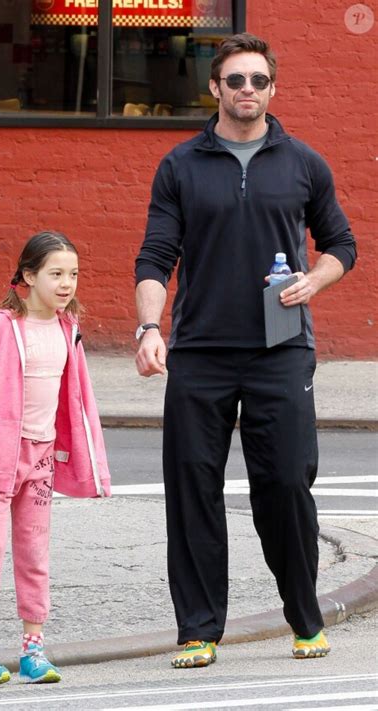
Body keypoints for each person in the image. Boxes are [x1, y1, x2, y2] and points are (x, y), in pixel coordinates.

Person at [134, 33, 356, 669]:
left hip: (281, 350)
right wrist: (151, 328)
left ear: (272, 89)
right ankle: (199, 629)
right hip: (200, 351)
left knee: (286, 482)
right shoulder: (180, 165)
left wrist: (315, 279)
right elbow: (156, 256)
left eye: (259, 80)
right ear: (215, 89)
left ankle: (305, 619)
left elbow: (341, 243)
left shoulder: (303, 163)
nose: (248, 91)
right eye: (236, 81)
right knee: (192, 488)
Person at [0, 231, 110, 687]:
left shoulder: (68, 328)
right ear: (28, 276)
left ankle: (33, 650)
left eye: (73, 274)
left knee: (35, 552)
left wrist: (84, 454)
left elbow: (76, 397)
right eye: (56, 274)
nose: (67, 283)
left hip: (40, 457)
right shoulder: (2, 326)